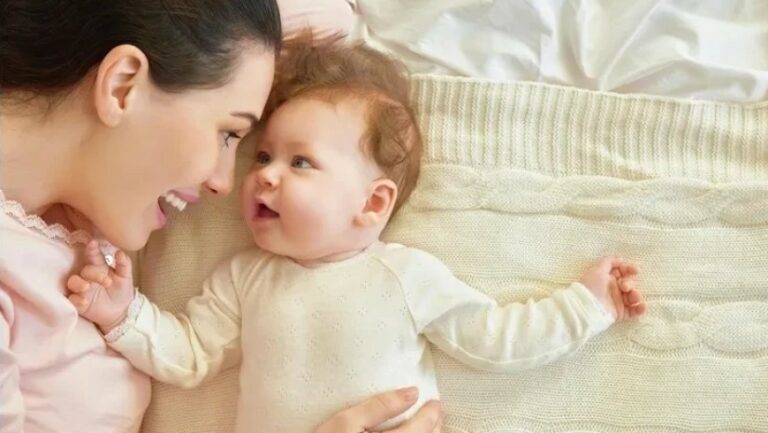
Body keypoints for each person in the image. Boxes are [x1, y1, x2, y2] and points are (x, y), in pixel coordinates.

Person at [66, 38, 648, 433]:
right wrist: (124, 315)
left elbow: (496, 337)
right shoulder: (243, 278)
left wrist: (587, 304)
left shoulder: (404, 276)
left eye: (300, 162)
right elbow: (191, 352)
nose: (263, 174)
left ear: (371, 204)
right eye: (263, 155)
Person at [0, 1, 441, 432]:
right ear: (122, 86)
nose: (225, 184)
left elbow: (332, 18)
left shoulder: (85, 205)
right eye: (229, 133)